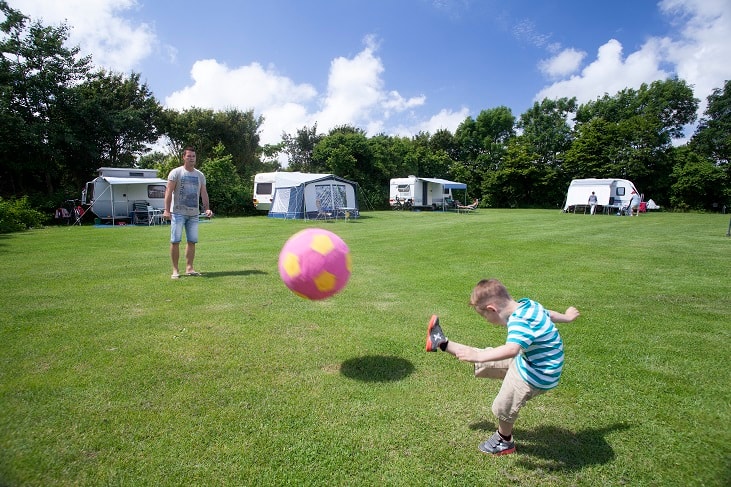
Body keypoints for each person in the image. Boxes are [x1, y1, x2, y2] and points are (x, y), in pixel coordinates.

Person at [426, 278, 580, 456]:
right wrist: (567, 317)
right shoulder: (528, 305)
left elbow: (512, 349)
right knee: (487, 357)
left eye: (485, 316)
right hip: (531, 363)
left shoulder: (518, 321)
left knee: (504, 405)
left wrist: (478, 355)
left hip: (538, 374)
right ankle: (440, 342)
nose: (486, 320)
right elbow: (548, 314)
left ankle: (504, 441)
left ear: (492, 309)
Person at [163, 147, 213, 279]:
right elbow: (168, 191)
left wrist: (207, 208)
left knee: (192, 241)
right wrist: (167, 210)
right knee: (175, 241)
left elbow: (204, 193)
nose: (192, 159)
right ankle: (175, 270)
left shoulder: (199, 175)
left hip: (193, 214)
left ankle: (189, 268)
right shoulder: (176, 173)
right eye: (189, 156)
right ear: (183, 157)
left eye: (194, 156)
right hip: (178, 212)